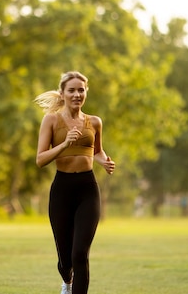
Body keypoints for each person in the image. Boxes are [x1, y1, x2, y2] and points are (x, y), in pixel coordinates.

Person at [35, 71, 115, 294]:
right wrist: (63, 145)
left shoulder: (95, 122)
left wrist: (104, 162)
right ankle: (66, 282)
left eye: (81, 90)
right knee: (65, 260)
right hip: (62, 191)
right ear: (62, 93)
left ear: (86, 92)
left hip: (87, 190)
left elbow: (96, 151)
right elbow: (40, 159)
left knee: (80, 254)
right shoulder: (51, 120)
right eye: (72, 90)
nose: (77, 94)